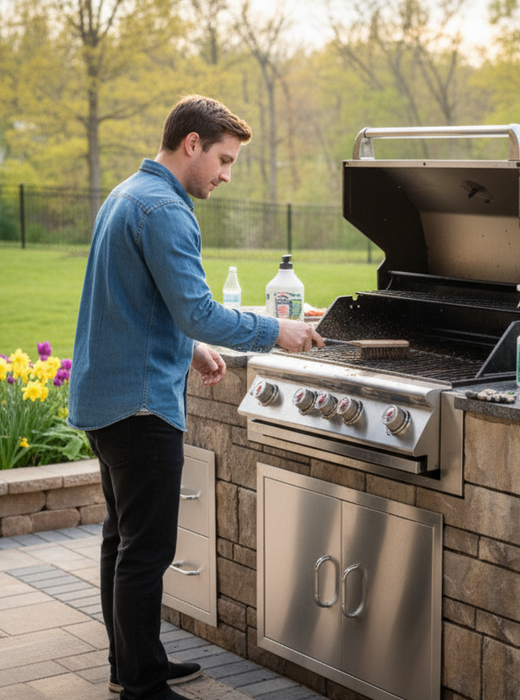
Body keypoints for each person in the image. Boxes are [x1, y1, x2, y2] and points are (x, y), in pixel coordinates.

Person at [68, 94, 324, 700]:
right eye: (225, 160)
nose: (226, 175)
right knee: (146, 551)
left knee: (121, 540)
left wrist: (188, 347)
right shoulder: (165, 210)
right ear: (192, 144)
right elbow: (197, 309)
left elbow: (134, 300)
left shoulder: (127, 194)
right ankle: (141, 684)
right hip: (141, 405)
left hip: (106, 396)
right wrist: (277, 331)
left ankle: (132, 663)